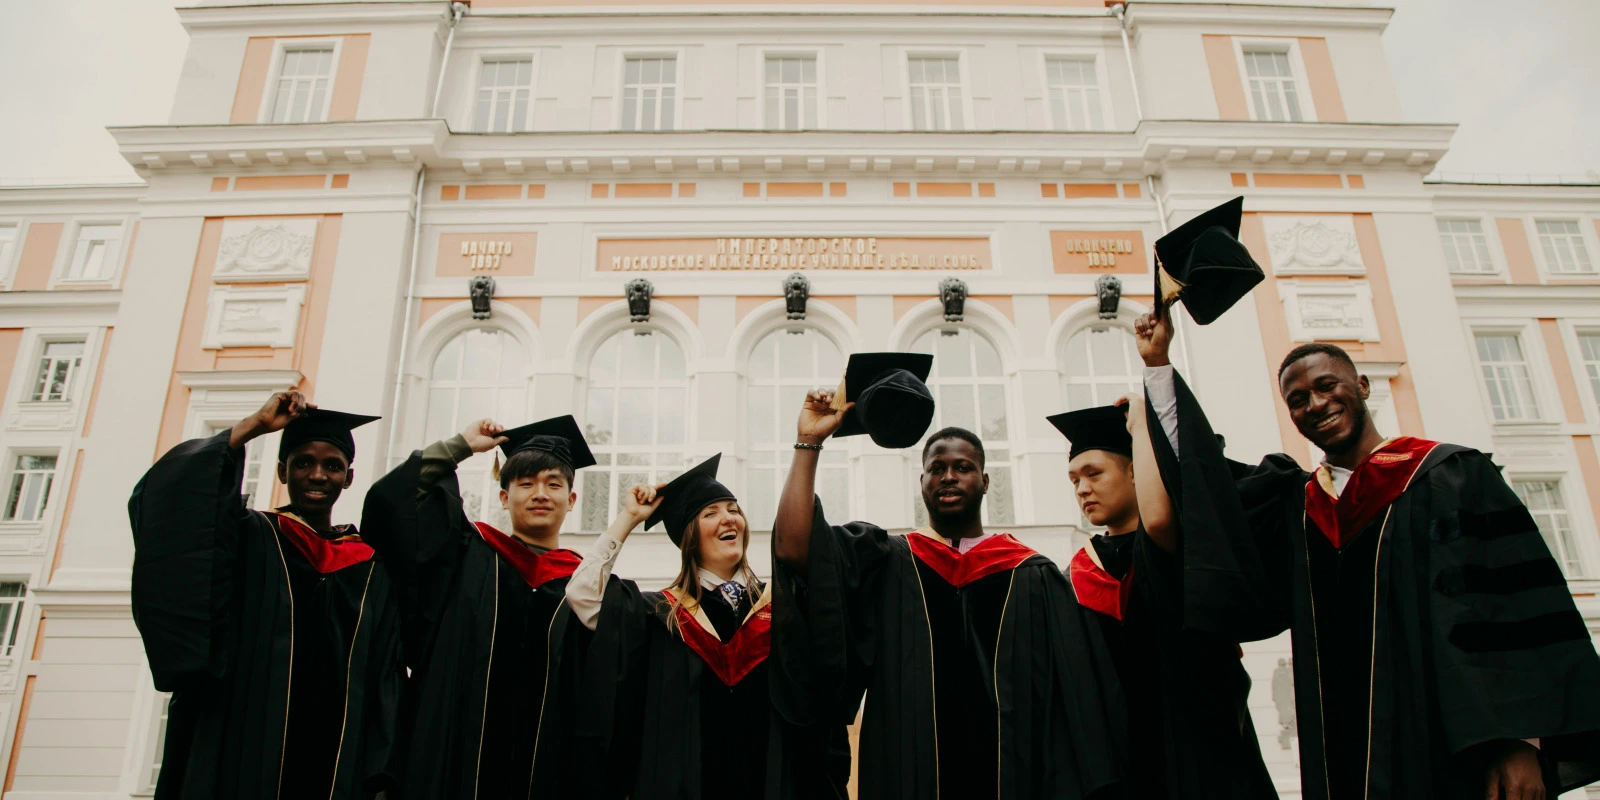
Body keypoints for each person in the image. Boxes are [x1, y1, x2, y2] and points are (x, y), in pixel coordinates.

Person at [1136, 307, 1600, 800]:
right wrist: (1158, 367)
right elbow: (1208, 494)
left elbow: (1509, 612)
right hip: (1342, 757)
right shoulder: (1299, 506)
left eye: (1326, 385)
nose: (1315, 404)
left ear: (1362, 385)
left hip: (1453, 748)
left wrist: (1518, 741)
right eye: (1297, 400)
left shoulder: (1448, 476)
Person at [771, 377, 1126, 797]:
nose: (949, 477)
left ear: (986, 481)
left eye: (963, 467)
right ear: (921, 483)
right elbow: (795, 549)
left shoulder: (1033, 575)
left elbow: (1074, 707)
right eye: (936, 469)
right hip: (909, 777)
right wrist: (808, 442)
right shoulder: (886, 562)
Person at [129, 392, 403, 800]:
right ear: (281, 470)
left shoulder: (368, 565)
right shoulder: (248, 536)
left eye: (332, 465)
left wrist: (380, 772)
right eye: (303, 462)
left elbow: (386, 675)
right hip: (243, 742)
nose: (317, 475)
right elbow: (182, 505)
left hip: (336, 762)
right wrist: (253, 427)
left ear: (348, 477)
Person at [566, 454, 848, 800]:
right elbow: (583, 595)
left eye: (733, 509)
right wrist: (629, 518)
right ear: (689, 535)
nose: (728, 518)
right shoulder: (661, 614)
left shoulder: (783, 608)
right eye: (710, 513)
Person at [360, 415, 601, 798]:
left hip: (547, 772)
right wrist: (461, 445)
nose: (540, 493)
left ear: (571, 501)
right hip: (453, 762)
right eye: (526, 483)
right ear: (504, 497)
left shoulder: (584, 588)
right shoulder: (465, 556)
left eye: (553, 484)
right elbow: (398, 501)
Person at [1052, 403, 1275, 800]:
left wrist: (1142, 423)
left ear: (1136, 471)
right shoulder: (1074, 577)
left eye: (1094, 473)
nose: (1082, 489)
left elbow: (1159, 523)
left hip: (1201, 756)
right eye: (1073, 480)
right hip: (1121, 763)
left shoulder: (1185, 551)